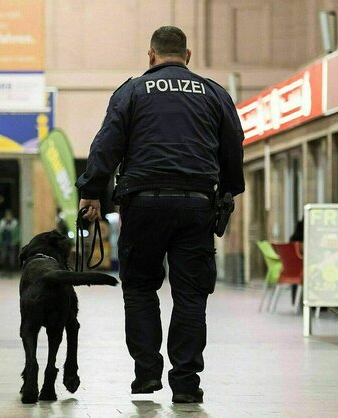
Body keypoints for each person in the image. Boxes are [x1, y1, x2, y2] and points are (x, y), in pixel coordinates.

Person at [75, 26, 245, 404]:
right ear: (188, 55)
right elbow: (233, 145)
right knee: (191, 296)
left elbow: (107, 144)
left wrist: (91, 191)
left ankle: (147, 374)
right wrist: (229, 190)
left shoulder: (132, 91)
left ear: (151, 56)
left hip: (143, 205)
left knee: (138, 288)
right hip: (196, 206)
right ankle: (185, 383)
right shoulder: (215, 93)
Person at [0, 210, 19, 277]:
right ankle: (4, 271)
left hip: (11, 243)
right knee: (3, 257)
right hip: (4, 243)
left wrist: (15, 241)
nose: (8, 217)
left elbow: (18, 233)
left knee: (11, 258)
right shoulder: (2, 223)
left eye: (9, 215)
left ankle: (10, 272)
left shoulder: (15, 223)